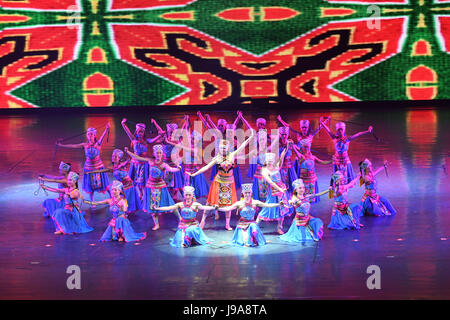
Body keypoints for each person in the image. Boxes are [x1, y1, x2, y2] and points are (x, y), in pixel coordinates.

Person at [187, 130, 255, 230]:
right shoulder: (217, 158)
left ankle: (227, 224)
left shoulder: (232, 155)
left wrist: (250, 137)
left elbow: (242, 146)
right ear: (219, 148)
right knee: (210, 202)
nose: (223, 149)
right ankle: (203, 221)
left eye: (225, 148)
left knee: (228, 204)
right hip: (218, 182)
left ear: (228, 148)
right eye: (222, 148)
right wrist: (194, 174)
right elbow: (206, 167)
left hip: (229, 183)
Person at [125, 144, 182, 230]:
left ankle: (181, 219)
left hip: (160, 187)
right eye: (157, 153)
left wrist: (178, 168)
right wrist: (128, 152)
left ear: (162, 154)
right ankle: (157, 224)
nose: (158, 154)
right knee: (153, 207)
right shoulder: (150, 161)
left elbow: (171, 169)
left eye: (160, 153)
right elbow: (138, 158)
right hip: (151, 186)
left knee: (170, 203)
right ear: (154, 154)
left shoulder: (164, 165)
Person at [56, 124, 111, 203]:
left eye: (91, 134)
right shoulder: (85, 145)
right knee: (91, 186)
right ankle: (92, 202)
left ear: (95, 135)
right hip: (89, 167)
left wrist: (106, 129)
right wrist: (61, 145)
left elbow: (103, 136)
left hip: (98, 166)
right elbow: (73, 146)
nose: (90, 135)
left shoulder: (98, 144)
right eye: (88, 134)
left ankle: (112, 197)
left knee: (104, 183)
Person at [218, 184, 283, 247]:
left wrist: (278, 204)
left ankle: (253, 241)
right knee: (244, 240)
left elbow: (267, 205)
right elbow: (227, 208)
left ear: (251, 193)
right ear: (243, 193)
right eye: (246, 193)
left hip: (252, 223)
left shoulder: (255, 202)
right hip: (242, 225)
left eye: (249, 193)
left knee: (253, 226)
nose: (247, 194)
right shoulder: (239, 203)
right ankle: (248, 241)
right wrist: (217, 208)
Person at [320, 118, 373, 183]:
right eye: (338, 130)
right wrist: (322, 123)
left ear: (344, 130)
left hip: (345, 160)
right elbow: (328, 130)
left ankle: (346, 187)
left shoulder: (347, 139)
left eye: (341, 130)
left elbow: (358, 134)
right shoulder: (334, 138)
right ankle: (337, 188)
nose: (340, 131)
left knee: (347, 179)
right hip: (337, 161)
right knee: (338, 180)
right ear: (337, 131)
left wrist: (368, 131)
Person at [256, 152, 291, 235]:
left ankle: (279, 228)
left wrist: (284, 151)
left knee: (281, 209)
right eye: (268, 160)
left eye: (271, 160)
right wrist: (280, 189)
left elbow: (281, 160)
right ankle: (255, 225)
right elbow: (271, 182)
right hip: (273, 192)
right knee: (267, 208)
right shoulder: (264, 171)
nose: (269, 162)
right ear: (265, 161)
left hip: (281, 190)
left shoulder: (276, 167)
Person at [291, 138, 332, 202]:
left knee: (311, 196)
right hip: (304, 180)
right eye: (306, 147)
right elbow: (294, 148)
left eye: (308, 147)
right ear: (302, 148)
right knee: (303, 195)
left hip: (312, 179)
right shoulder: (301, 157)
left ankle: (308, 209)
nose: (307, 149)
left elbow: (323, 162)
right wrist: (293, 145)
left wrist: (331, 161)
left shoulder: (312, 157)